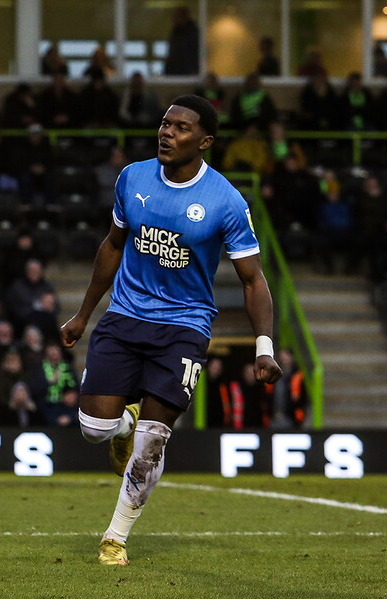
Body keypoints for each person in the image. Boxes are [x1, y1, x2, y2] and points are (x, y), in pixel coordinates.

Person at [59, 95, 282, 566]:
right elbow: (112, 245)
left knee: (153, 440)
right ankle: (123, 424)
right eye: (164, 124)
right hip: (123, 317)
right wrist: (83, 313)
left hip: (184, 326)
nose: (167, 133)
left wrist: (264, 346)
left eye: (181, 128)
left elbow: (252, 278)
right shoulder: (133, 177)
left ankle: (115, 537)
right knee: (93, 429)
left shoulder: (226, 200)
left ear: (204, 141)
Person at [164, 6, 199, 76]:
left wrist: (193, 70)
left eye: (176, 16)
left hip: (188, 74)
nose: (173, 19)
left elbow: (193, 53)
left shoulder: (193, 33)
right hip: (174, 73)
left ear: (183, 17)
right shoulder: (175, 33)